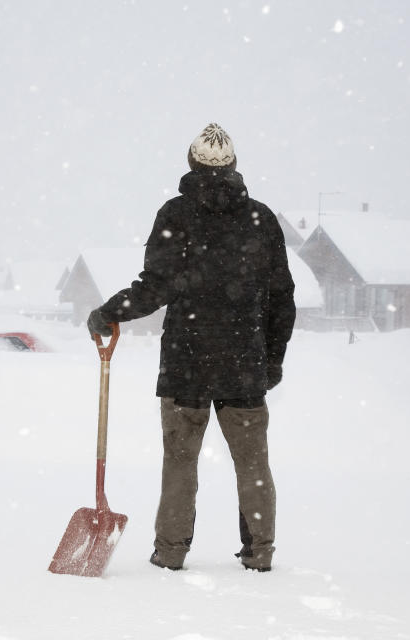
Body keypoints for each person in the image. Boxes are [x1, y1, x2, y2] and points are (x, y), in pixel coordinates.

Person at [87, 123, 296, 572]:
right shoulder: (260, 218)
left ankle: (170, 552)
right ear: (234, 165)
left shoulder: (176, 215)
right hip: (244, 363)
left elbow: (155, 285)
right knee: (253, 464)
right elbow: (282, 298)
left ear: (190, 162)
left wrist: (109, 312)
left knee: (180, 463)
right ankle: (260, 552)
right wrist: (270, 360)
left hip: (188, 362)